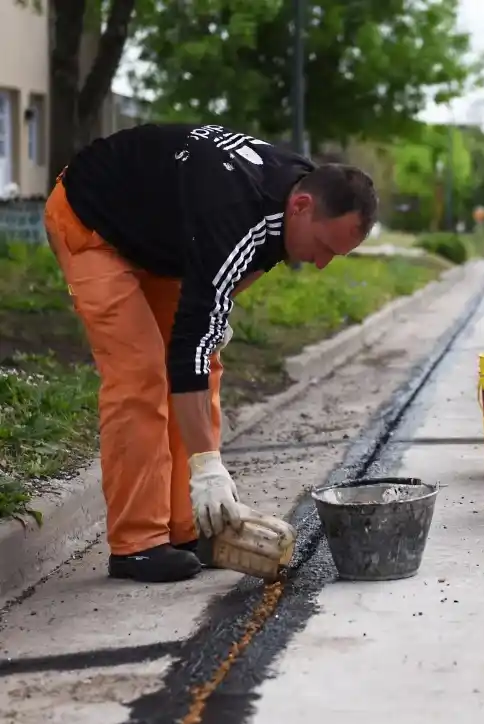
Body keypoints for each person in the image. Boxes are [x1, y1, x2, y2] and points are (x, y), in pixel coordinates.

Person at [43, 123, 378, 583]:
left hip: (164, 241)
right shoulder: (234, 209)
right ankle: (137, 544)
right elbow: (192, 344)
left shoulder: (295, 190)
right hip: (93, 220)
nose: (321, 263)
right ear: (301, 206)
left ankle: (189, 526)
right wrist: (208, 468)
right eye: (323, 247)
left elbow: (257, 257)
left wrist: (218, 311)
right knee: (142, 374)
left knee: (204, 364)